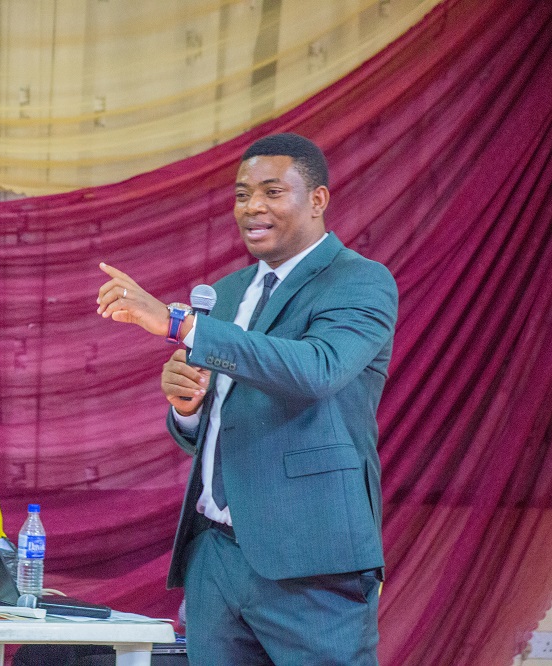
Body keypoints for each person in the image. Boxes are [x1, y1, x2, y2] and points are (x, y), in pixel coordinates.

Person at [96, 133, 397, 665]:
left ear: (318, 200)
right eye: (241, 194)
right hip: (216, 558)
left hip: (312, 563)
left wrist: (177, 324)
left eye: (272, 191)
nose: (252, 206)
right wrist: (187, 410)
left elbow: (315, 370)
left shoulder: (360, 282)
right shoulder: (230, 291)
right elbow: (226, 423)